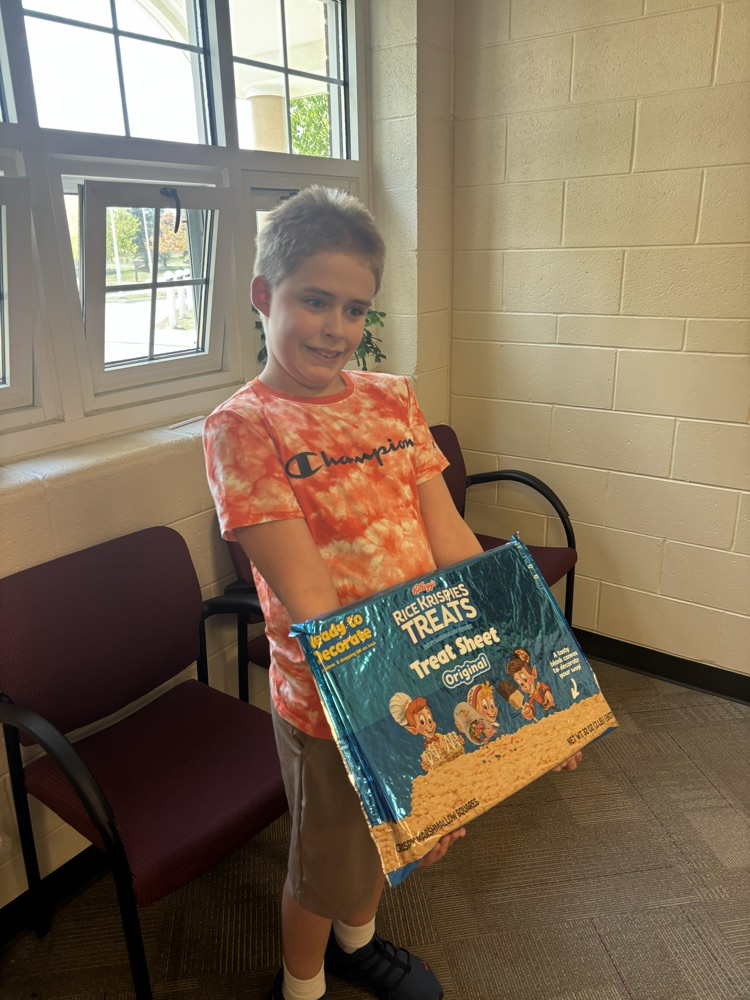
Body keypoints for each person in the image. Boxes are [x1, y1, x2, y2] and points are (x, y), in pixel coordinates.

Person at [203, 186, 581, 1000]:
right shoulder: (243, 426)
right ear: (264, 296)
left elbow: (452, 542)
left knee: (380, 852)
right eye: (313, 301)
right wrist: (413, 764)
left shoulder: (391, 398)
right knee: (324, 862)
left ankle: (358, 944)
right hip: (337, 699)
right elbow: (314, 599)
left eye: (353, 308)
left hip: (423, 670)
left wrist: (541, 694)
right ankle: (301, 985)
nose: (336, 328)